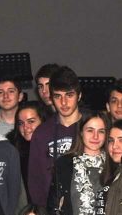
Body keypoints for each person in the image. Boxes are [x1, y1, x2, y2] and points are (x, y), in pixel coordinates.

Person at [49, 111, 109, 215]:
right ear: (81, 132)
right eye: (90, 130)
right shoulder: (65, 164)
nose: (95, 136)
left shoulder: (115, 166)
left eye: (101, 131)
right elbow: (52, 206)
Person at [28, 66, 85, 206]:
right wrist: (43, 212)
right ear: (52, 98)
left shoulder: (93, 128)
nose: (63, 102)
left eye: (69, 95)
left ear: (79, 96)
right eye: (58, 96)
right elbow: (35, 180)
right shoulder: (42, 133)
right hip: (52, 209)